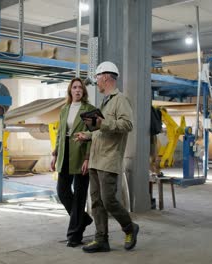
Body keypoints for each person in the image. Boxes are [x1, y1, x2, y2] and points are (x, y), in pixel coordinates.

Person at [75, 61, 139, 253]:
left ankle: (130, 227)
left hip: (109, 159)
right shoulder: (105, 102)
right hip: (96, 159)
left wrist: (102, 122)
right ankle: (101, 239)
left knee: (108, 200)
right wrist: (87, 135)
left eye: (97, 78)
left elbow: (127, 125)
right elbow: (101, 130)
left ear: (105, 77)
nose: (96, 82)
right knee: (96, 201)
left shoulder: (121, 100)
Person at [51, 77, 96, 248]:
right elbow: (60, 134)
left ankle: (74, 235)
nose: (77, 90)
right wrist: (55, 154)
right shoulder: (64, 109)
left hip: (80, 153)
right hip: (64, 153)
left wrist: (87, 158)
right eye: (74, 87)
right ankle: (82, 219)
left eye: (80, 88)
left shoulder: (90, 110)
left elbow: (94, 138)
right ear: (70, 91)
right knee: (62, 191)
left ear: (84, 91)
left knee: (79, 195)